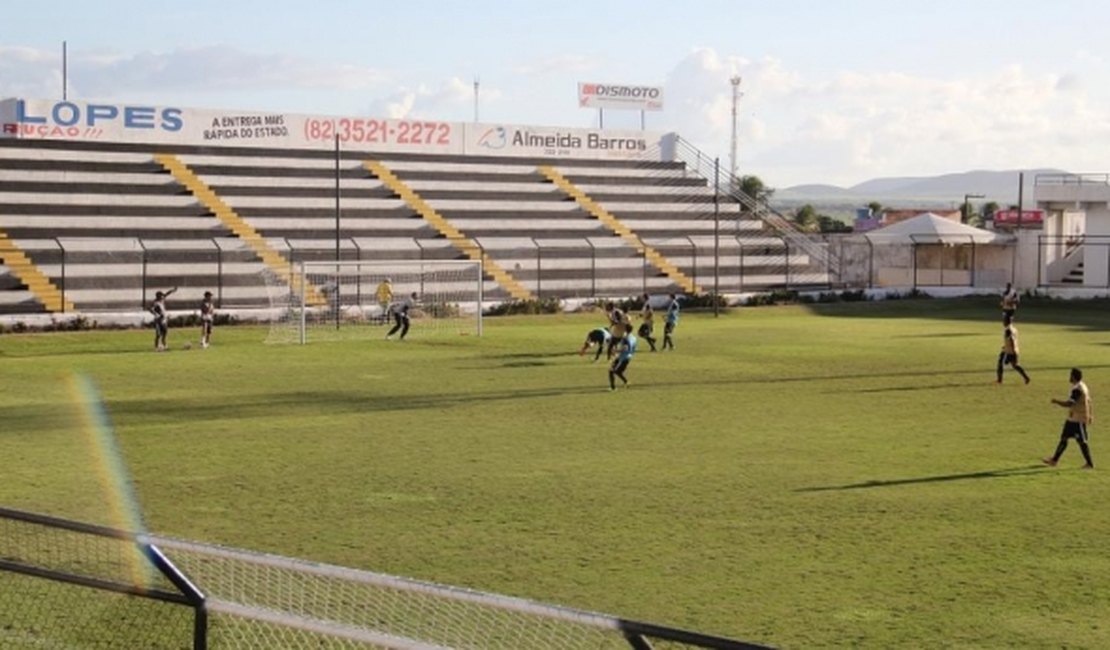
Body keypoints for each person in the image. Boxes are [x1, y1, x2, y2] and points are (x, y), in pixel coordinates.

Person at [1043, 368, 1094, 469]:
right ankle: (1054, 460)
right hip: (1072, 418)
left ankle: (1089, 463)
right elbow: (1089, 401)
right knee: (1064, 438)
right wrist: (1091, 414)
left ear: (1073, 377)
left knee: (1082, 441)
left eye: (1070, 375)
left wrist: (1056, 401)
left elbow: (1070, 403)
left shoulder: (1077, 389)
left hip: (1078, 419)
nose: (1069, 377)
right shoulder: (1082, 385)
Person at [996, 315, 1030, 384]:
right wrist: (1006, 346)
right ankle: (1026, 378)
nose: (1003, 322)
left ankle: (999, 380)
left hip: (1009, 351)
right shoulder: (1014, 329)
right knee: (1015, 365)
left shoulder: (1007, 330)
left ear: (1006, 321)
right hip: (1012, 350)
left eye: (1004, 320)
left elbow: (1011, 339)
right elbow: (1012, 339)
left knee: (1000, 363)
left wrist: (1012, 349)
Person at [150, 287, 177, 351]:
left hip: (164, 320)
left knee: (165, 333)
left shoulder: (162, 300)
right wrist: (156, 314)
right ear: (158, 296)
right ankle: (156, 347)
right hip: (158, 320)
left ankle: (165, 345)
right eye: (161, 295)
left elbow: (167, 294)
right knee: (158, 334)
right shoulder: (155, 302)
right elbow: (151, 309)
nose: (162, 296)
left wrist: (172, 290)